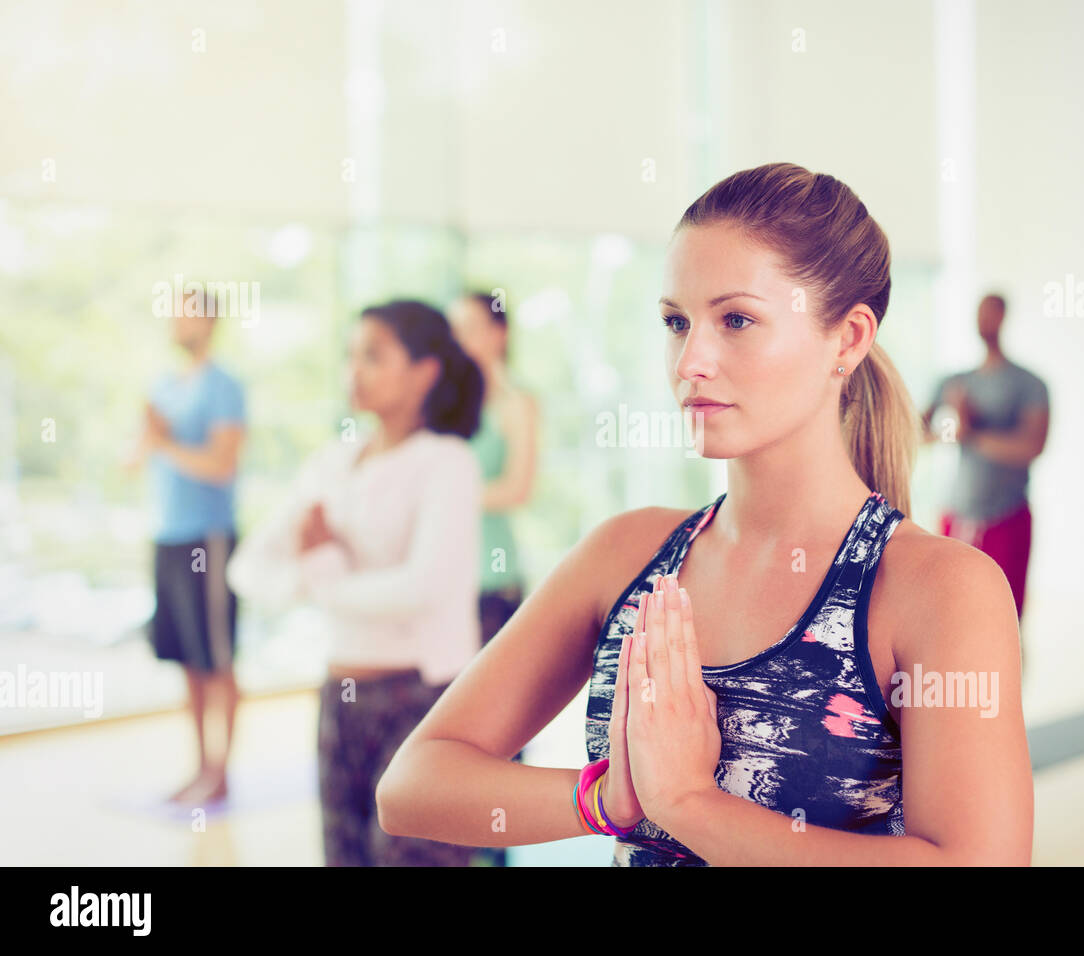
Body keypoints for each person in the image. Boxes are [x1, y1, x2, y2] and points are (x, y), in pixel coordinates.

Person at [376, 163, 1033, 866]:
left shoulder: (939, 588)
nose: (691, 361)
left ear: (847, 339)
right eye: (676, 322)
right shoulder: (626, 554)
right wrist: (606, 801)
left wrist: (689, 807)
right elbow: (413, 784)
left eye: (737, 320)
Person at [226, 299, 487, 866]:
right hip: (340, 702)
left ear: (425, 371)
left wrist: (324, 575)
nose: (354, 372)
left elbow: (423, 587)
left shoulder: (447, 462)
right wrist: (318, 576)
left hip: (426, 704)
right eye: (350, 356)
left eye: (372, 356)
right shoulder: (330, 463)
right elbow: (246, 567)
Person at [128, 285, 246, 807]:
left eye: (188, 315)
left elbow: (221, 466)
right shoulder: (164, 387)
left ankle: (222, 772)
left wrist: (166, 442)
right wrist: (150, 438)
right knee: (187, 663)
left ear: (210, 322)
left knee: (218, 660)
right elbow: (134, 459)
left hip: (210, 537)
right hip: (169, 537)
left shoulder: (224, 387)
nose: (179, 323)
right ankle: (199, 767)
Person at [448, 290, 539, 867]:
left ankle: (495, 852)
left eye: (470, 327)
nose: (459, 340)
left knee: (499, 731)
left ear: (498, 334)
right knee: (451, 728)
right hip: (446, 587)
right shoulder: (450, 404)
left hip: (493, 584)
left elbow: (517, 488)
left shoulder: (514, 402)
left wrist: (443, 495)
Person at [919, 294, 1049, 642]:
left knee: (1002, 620)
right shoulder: (954, 381)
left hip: (1006, 516)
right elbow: (919, 435)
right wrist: (954, 429)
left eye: (990, 313)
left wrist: (972, 432)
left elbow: (1031, 447)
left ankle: (1003, 691)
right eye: (979, 313)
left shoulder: (1029, 384)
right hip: (958, 517)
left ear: (1004, 317)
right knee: (948, 617)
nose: (984, 320)